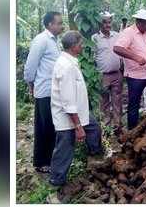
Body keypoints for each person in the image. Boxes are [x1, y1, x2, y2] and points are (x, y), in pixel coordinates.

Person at [49, 31, 103, 186]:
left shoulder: (70, 61)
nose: (83, 46)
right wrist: (78, 127)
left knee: (94, 129)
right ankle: (56, 180)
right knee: (65, 148)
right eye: (80, 44)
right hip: (68, 116)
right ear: (73, 46)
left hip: (79, 112)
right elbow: (68, 102)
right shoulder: (66, 67)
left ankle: (94, 157)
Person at [23, 11, 64, 173]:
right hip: (44, 90)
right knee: (44, 127)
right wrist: (31, 84)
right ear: (49, 25)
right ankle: (41, 163)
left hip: (53, 90)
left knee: (52, 126)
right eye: (59, 23)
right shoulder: (41, 40)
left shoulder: (55, 41)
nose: (61, 26)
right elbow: (31, 66)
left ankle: (50, 160)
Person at [113, 9, 146, 130]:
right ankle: (132, 132)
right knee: (134, 105)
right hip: (135, 76)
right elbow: (117, 48)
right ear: (138, 22)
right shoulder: (128, 33)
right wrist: (136, 57)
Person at [91, 11, 123, 133]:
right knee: (104, 102)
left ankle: (117, 126)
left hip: (116, 73)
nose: (107, 25)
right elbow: (92, 57)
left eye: (109, 22)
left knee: (117, 101)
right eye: (104, 22)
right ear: (100, 23)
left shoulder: (117, 35)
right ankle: (106, 128)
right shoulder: (95, 38)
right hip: (102, 75)